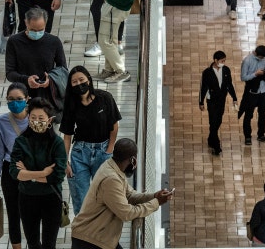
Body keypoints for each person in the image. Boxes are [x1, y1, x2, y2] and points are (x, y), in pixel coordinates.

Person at [70, 138, 173, 249]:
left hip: (100, 238)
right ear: (133, 160)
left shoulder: (113, 168)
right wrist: (156, 203)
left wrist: (153, 196)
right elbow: (127, 213)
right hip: (89, 240)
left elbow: (130, 195)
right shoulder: (111, 179)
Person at [60, 66, 122, 215]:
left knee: (104, 195)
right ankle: (83, 235)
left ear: (89, 79)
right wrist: (64, 161)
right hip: (80, 153)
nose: (79, 84)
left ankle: (104, 234)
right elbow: (67, 135)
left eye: (81, 80)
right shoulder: (71, 104)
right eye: (74, 82)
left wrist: (109, 150)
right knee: (81, 198)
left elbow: (114, 126)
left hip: (103, 151)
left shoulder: (104, 98)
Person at [9, 97, 67, 249]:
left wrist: (28, 175)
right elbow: (14, 172)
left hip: (51, 198)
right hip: (27, 198)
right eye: (33, 118)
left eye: (41, 118)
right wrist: (42, 173)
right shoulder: (21, 141)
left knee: (49, 244)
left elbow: (58, 176)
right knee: (33, 243)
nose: (37, 121)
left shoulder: (57, 143)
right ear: (28, 119)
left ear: (50, 120)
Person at [0, 82, 30, 249]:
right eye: (10, 99)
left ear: (27, 99)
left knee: (31, 213)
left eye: (19, 99)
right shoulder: (1, 122)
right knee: (14, 213)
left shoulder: (37, 118)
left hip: (33, 171)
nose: (15, 102)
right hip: (10, 171)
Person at [5, 7, 67, 110]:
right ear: (26, 23)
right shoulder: (14, 42)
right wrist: (26, 80)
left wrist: (50, 79)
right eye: (33, 30)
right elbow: (10, 73)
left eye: (41, 30)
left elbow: (63, 69)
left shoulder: (54, 42)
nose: (37, 33)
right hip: (23, 99)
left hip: (48, 98)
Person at [198, 51, 238, 155]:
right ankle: (216, 146)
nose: (223, 62)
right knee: (213, 121)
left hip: (221, 99)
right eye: (222, 61)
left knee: (218, 120)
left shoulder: (226, 70)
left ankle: (211, 138)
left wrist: (234, 98)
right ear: (215, 60)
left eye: (224, 61)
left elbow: (229, 84)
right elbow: (203, 87)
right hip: (211, 100)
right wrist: (201, 102)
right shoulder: (207, 72)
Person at [239, 45, 265, 145]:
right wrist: (255, 74)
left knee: (263, 114)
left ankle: (261, 134)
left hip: (263, 90)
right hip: (252, 91)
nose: (262, 59)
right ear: (255, 53)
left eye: (263, 58)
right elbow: (243, 77)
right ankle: (247, 136)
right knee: (248, 114)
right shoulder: (247, 61)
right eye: (260, 58)